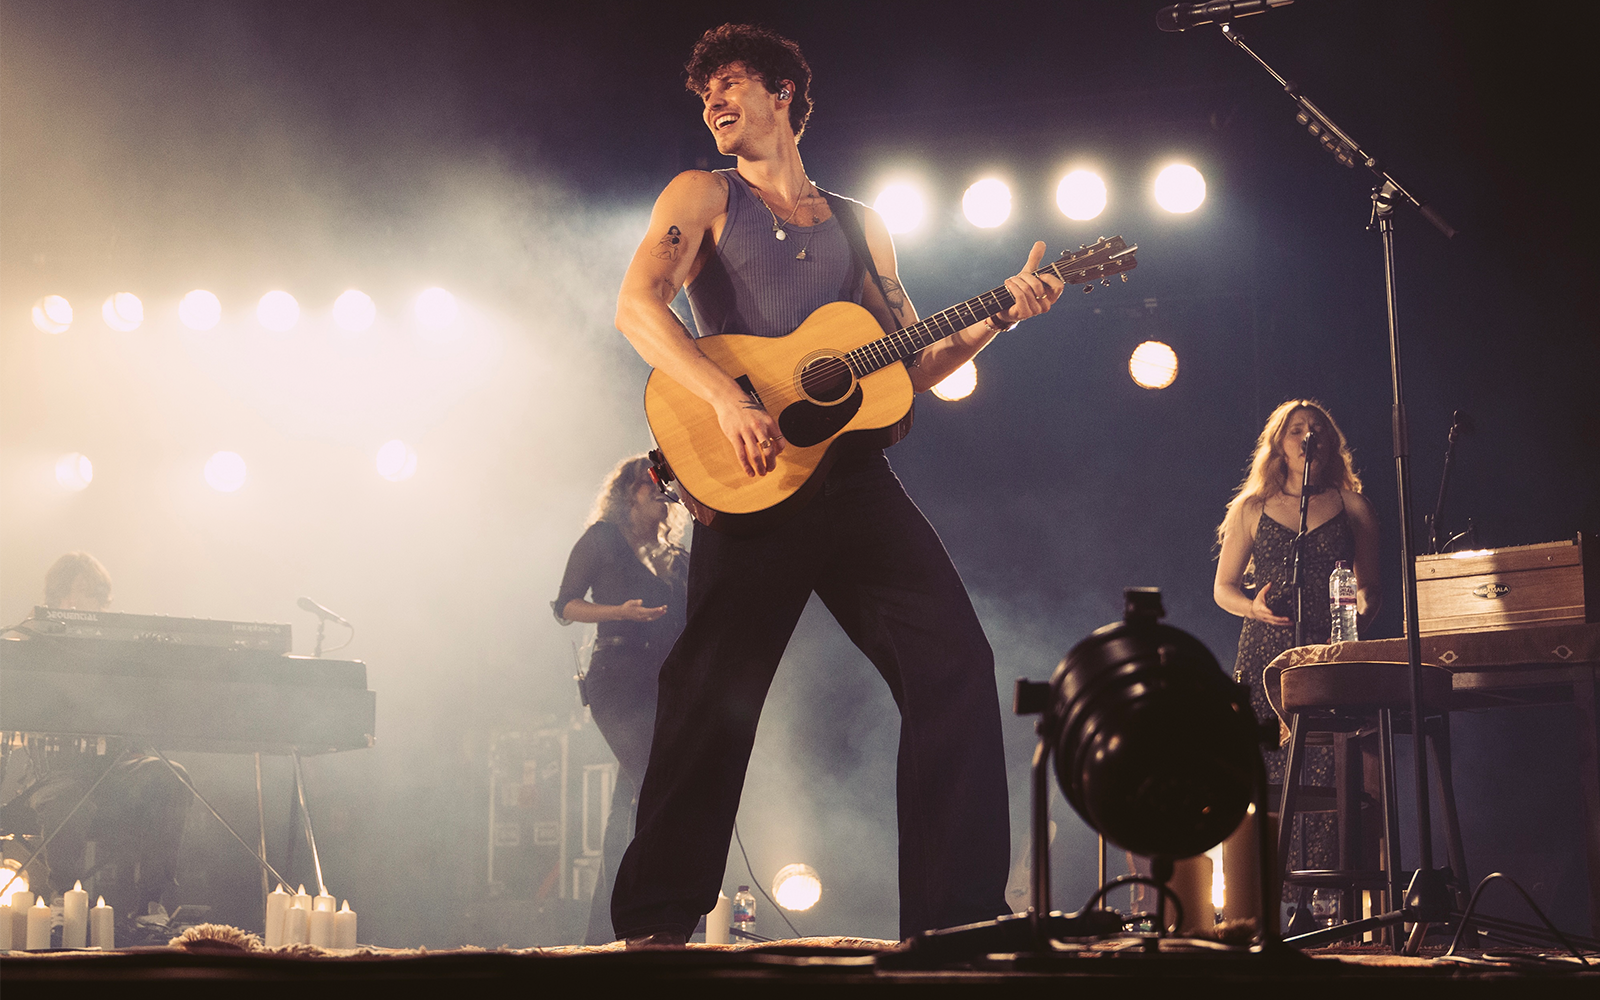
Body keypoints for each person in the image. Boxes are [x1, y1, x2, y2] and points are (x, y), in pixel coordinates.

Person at [610, 24, 1064, 945]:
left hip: (854, 481)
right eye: (705, 92)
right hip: (751, 474)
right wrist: (726, 398)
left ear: (782, 93)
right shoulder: (703, 194)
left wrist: (999, 319)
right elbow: (636, 305)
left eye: (731, 83)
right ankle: (657, 922)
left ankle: (956, 919)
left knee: (955, 663)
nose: (714, 101)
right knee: (710, 691)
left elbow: (911, 366)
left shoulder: (863, 225)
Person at [1213, 400, 1381, 878]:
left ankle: (1326, 891)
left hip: (1327, 658)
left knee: (1329, 771)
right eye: (1297, 429)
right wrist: (1253, 607)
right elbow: (1223, 588)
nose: (1309, 436)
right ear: (1279, 445)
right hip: (1265, 656)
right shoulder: (1252, 508)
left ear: (1330, 444)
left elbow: (1372, 588)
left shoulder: (1353, 506)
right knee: (1263, 771)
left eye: (1318, 429)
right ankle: (1261, 889)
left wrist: (1350, 632)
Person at [10, 553, 193, 932]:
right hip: (54, 773)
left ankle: (151, 903)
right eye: (84, 592)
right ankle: (63, 899)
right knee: (67, 797)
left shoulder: (119, 651)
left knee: (170, 775)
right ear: (60, 597)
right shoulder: (30, 643)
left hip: (114, 771)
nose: (92, 603)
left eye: (98, 595)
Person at [552, 456, 689, 945]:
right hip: (617, 676)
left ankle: (607, 930)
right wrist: (620, 613)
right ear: (631, 491)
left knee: (630, 798)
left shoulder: (674, 554)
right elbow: (565, 606)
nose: (664, 493)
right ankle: (645, 915)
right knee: (653, 783)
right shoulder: (603, 539)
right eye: (655, 484)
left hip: (665, 682)